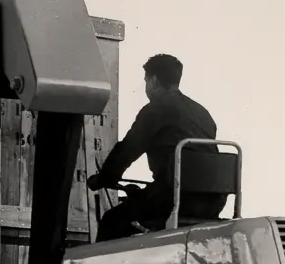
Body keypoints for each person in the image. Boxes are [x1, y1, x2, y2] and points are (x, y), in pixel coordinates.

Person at [86, 54, 227, 242]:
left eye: (146, 81)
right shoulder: (202, 113)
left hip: (174, 199)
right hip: (212, 201)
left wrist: (104, 178)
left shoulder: (155, 109)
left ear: (153, 81)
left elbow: (128, 149)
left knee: (112, 221)